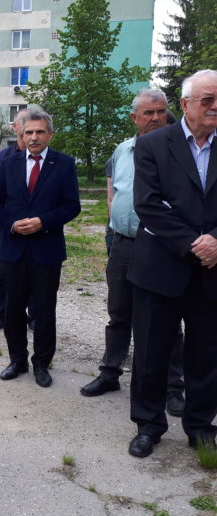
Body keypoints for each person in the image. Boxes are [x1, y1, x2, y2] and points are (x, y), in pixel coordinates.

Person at [126, 69, 217, 458]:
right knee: (151, 351)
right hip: (160, 267)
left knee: (206, 353)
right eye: (208, 100)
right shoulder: (153, 145)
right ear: (185, 104)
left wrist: (216, 241)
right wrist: (195, 243)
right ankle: (148, 425)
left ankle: (200, 426)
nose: (215, 107)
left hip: (211, 269)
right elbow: (148, 205)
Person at [80, 90, 185, 419]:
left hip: (161, 246)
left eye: (160, 111)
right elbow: (116, 192)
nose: (155, 118)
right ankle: (110, 372)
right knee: (119, 312)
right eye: (148, 113)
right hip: (123, 242)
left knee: (166, 321)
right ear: (134, 118)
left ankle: (173, 387)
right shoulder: (123, 150)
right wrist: (112, 231)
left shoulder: (180, 150)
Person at [0, 109, 81, 387]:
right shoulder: (8, 163)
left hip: (46, 249)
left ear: (50, 134)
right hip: (14, 248)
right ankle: (17, 361)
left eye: (40, 132)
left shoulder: (63, 164)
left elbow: (72, 205)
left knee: (44, 310)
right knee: (13, 309)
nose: (34, 137)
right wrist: (11, 225)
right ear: (21, 134)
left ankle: (41, 363)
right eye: (29, 132)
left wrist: (43, 222)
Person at [0, 108, 35, 333]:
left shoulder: (44, 157)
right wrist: (8, 222)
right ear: (16, 128)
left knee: (34, 274)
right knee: (1, 274)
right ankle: (0, 315)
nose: (29, 131)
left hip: (36, 226)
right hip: (7, 226)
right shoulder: (5, 156)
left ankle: (34, 316)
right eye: (24, 123)